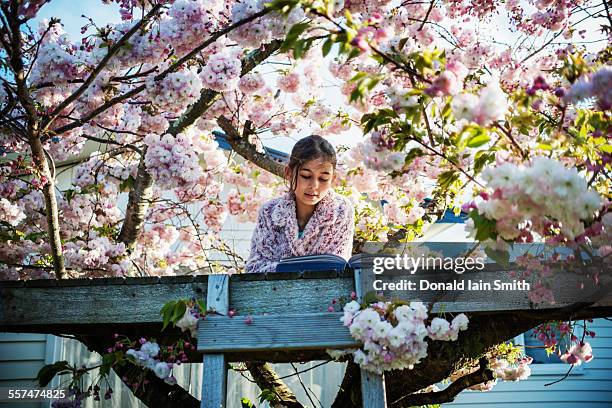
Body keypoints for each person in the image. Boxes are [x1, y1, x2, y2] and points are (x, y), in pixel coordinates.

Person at [245, 135, 355, 273]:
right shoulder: (269, 212)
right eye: (306, 176)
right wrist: (292, 270)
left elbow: (337, 263)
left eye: (323, 178)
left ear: (333, 179)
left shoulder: (341, 210)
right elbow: (255, 267)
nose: (314, 186)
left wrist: (284, 268)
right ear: (289, 173)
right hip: (274, 292)